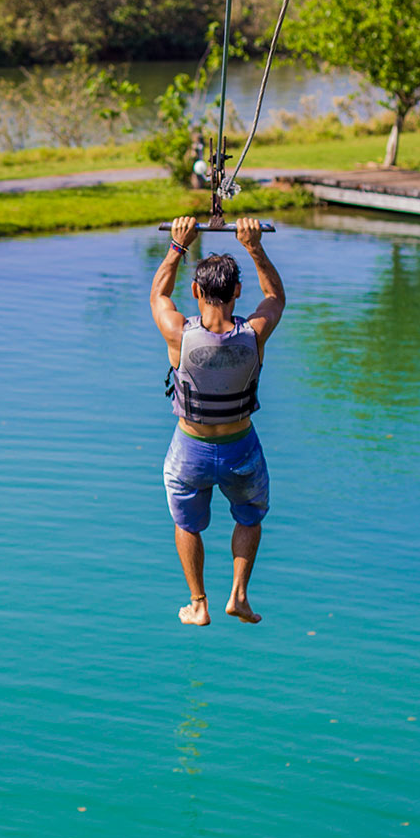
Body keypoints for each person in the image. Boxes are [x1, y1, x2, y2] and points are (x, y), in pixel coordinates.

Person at [150, 215, 286, 626]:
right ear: (237, 292)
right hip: (240, 447)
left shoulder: (179, 333)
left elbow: (158, 294)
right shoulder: (254, 334)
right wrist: (255, 246)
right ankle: (239, 596)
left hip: (189, 448)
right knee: (249, 516)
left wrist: (178, 245)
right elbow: (276, 296)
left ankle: (198, 603)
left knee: (186, 524)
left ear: (196, 291)